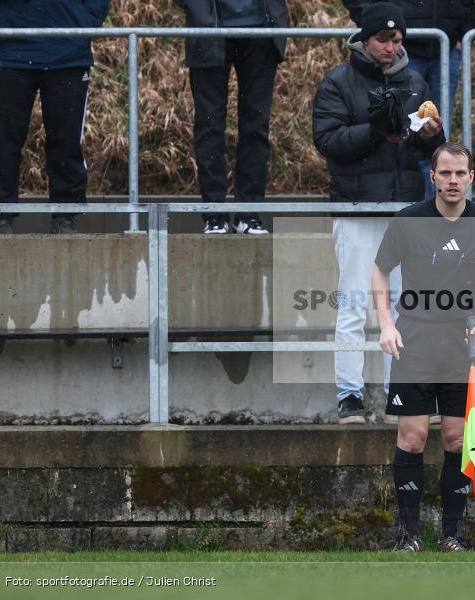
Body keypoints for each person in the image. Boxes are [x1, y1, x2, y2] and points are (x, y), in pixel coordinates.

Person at [371, 142, 475, 552]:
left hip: (461, 341)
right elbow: (380, 272)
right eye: (445, 173)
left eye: (460, 173)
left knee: (456, 438)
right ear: (431, 176)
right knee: (413, 437)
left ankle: (453, 534)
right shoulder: (407, 221)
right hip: (414, 337)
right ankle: (409, 534)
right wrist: (385, 324)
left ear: (472, 177)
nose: (453, 180)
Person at [313, 2, 445, 424]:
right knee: (354, 303)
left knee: (405, 305)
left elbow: (427, 154)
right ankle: (349, 395)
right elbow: (329, 141)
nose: (391, 47)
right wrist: (377, 132)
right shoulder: (338, 81)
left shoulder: (416, 81)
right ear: (365, 39)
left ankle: (398, 395)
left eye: (398, 40)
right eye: (384, 39)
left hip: (403, 208)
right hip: (355, 208)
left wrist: (432, 137)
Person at [0, 0, 110, 235]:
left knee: (66, 140)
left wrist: (81, 28)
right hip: (8, 52)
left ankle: (65, 215)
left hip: (68, 55)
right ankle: (0, 214)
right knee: (1, 141)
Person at [342, 1, 475, 198]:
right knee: (398, 133)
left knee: (434, 135)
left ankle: (432, 210)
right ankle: (406, 208)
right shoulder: (390, 45)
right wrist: (381, 24)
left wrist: (465, 30)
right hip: (406, 48)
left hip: (446, 47)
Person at [175, 0, 289, 235]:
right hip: (209, 28)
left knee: (257, 125)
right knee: (209, 124)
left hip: (262, 29)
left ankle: (249, 213)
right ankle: (214, 214)